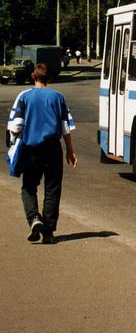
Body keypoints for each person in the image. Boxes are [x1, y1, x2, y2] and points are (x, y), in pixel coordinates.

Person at [6, 63, 78, 244]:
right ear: (50, 79)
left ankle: (34, 219)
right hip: (53, 149)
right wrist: (70, 151)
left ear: (32, 76)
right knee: (53, 189)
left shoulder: (24, 96)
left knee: (29, 187)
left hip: (31, 150)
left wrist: (13, 143)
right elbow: (65, 128)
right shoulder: (58, 97)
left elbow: (16, 125)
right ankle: (48, 232)